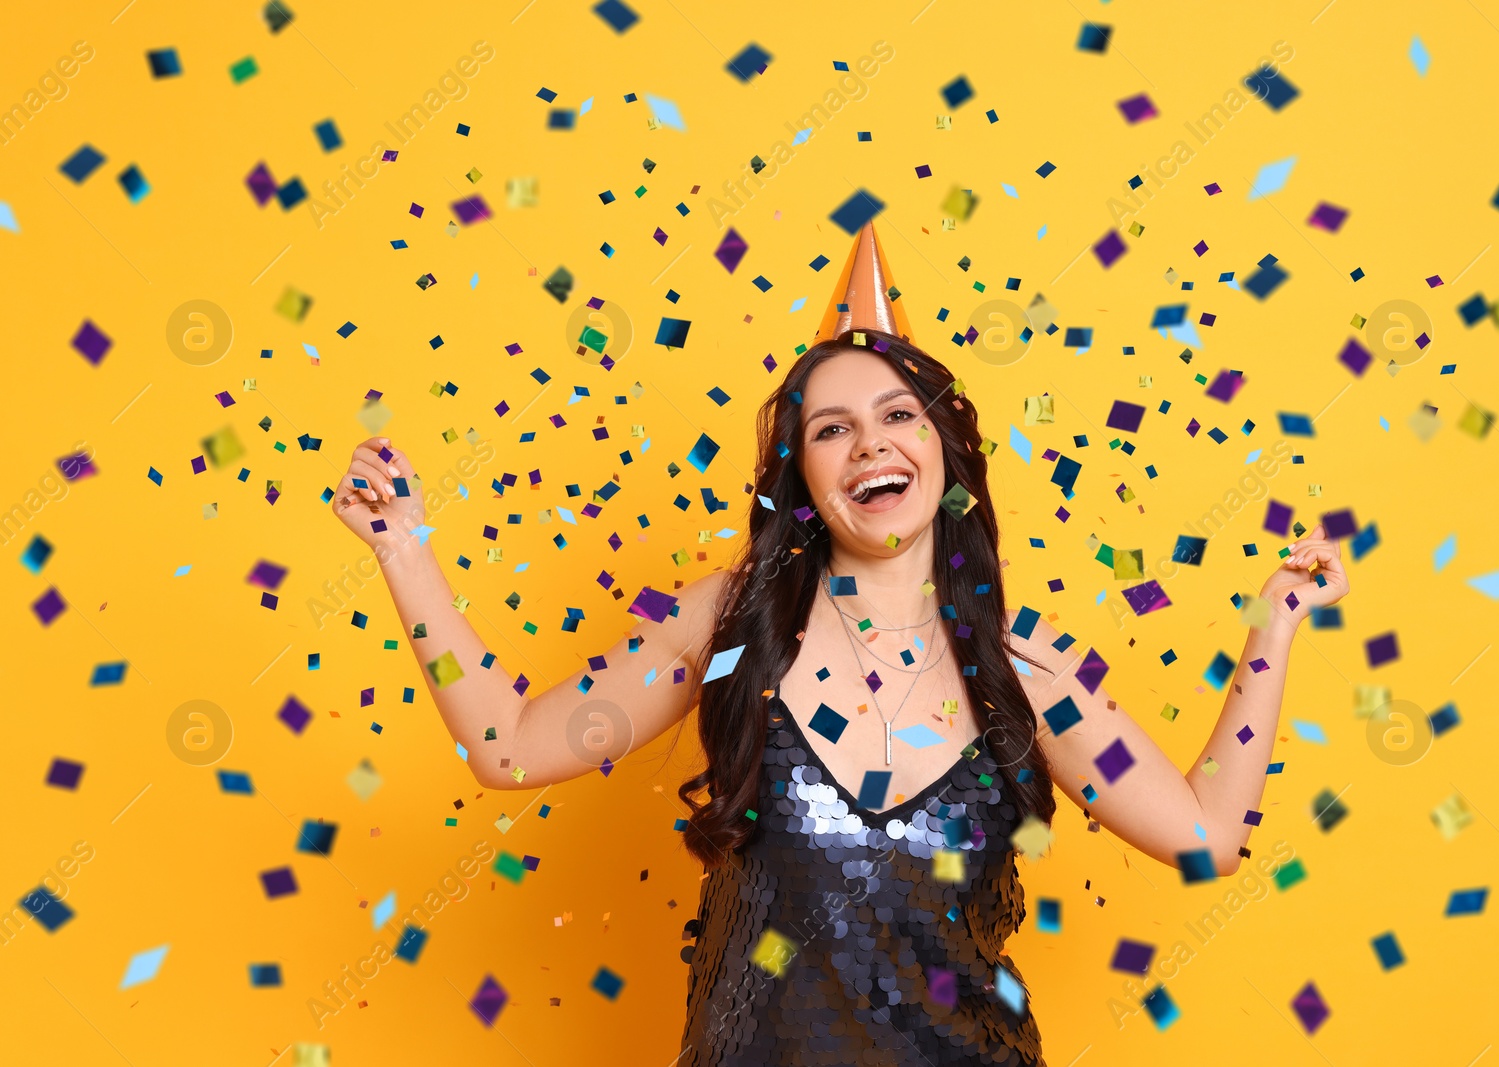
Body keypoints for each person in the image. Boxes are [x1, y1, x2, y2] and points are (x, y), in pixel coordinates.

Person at [330, 222, 1349, 1065]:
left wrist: (1273, 627)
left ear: (942, 448)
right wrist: (403, 553)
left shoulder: (1022, 669)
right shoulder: (729, 624)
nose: (869, 443)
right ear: (802, 478)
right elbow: (508, 744)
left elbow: (1206, 833)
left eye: (896, 413)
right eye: (830, 428)